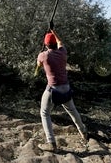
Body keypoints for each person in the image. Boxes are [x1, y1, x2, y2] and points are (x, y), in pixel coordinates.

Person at [35, 23, 88, 152]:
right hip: (66, 88)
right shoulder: (63, 52)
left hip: (53, 90)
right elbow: (60, 42)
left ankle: (51, 143)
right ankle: (83, 132)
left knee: (44, 113)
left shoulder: (43, 55)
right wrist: (53, 31)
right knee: (72, 110)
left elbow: (38, 65)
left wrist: (40, 55)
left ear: (46, 45)